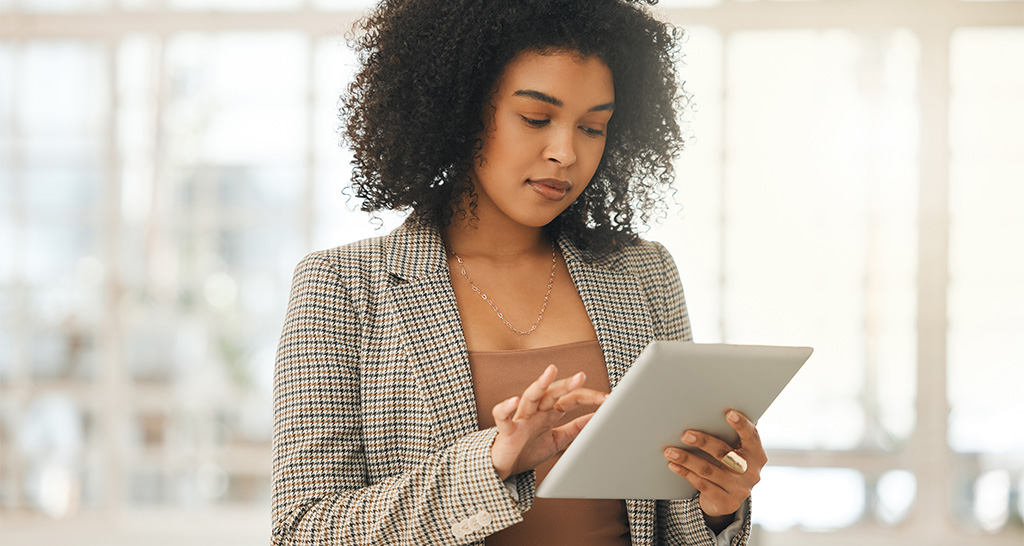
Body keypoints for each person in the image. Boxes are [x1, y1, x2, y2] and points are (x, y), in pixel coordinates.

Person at [271, 0, 766, 544]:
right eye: (535, 118)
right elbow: (303, 530)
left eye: (593, 127)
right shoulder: (342, 286)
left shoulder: (643, 273)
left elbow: (672, 522)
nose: (565, 153)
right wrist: (492, 461)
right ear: (459, 108)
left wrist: (719, 507)